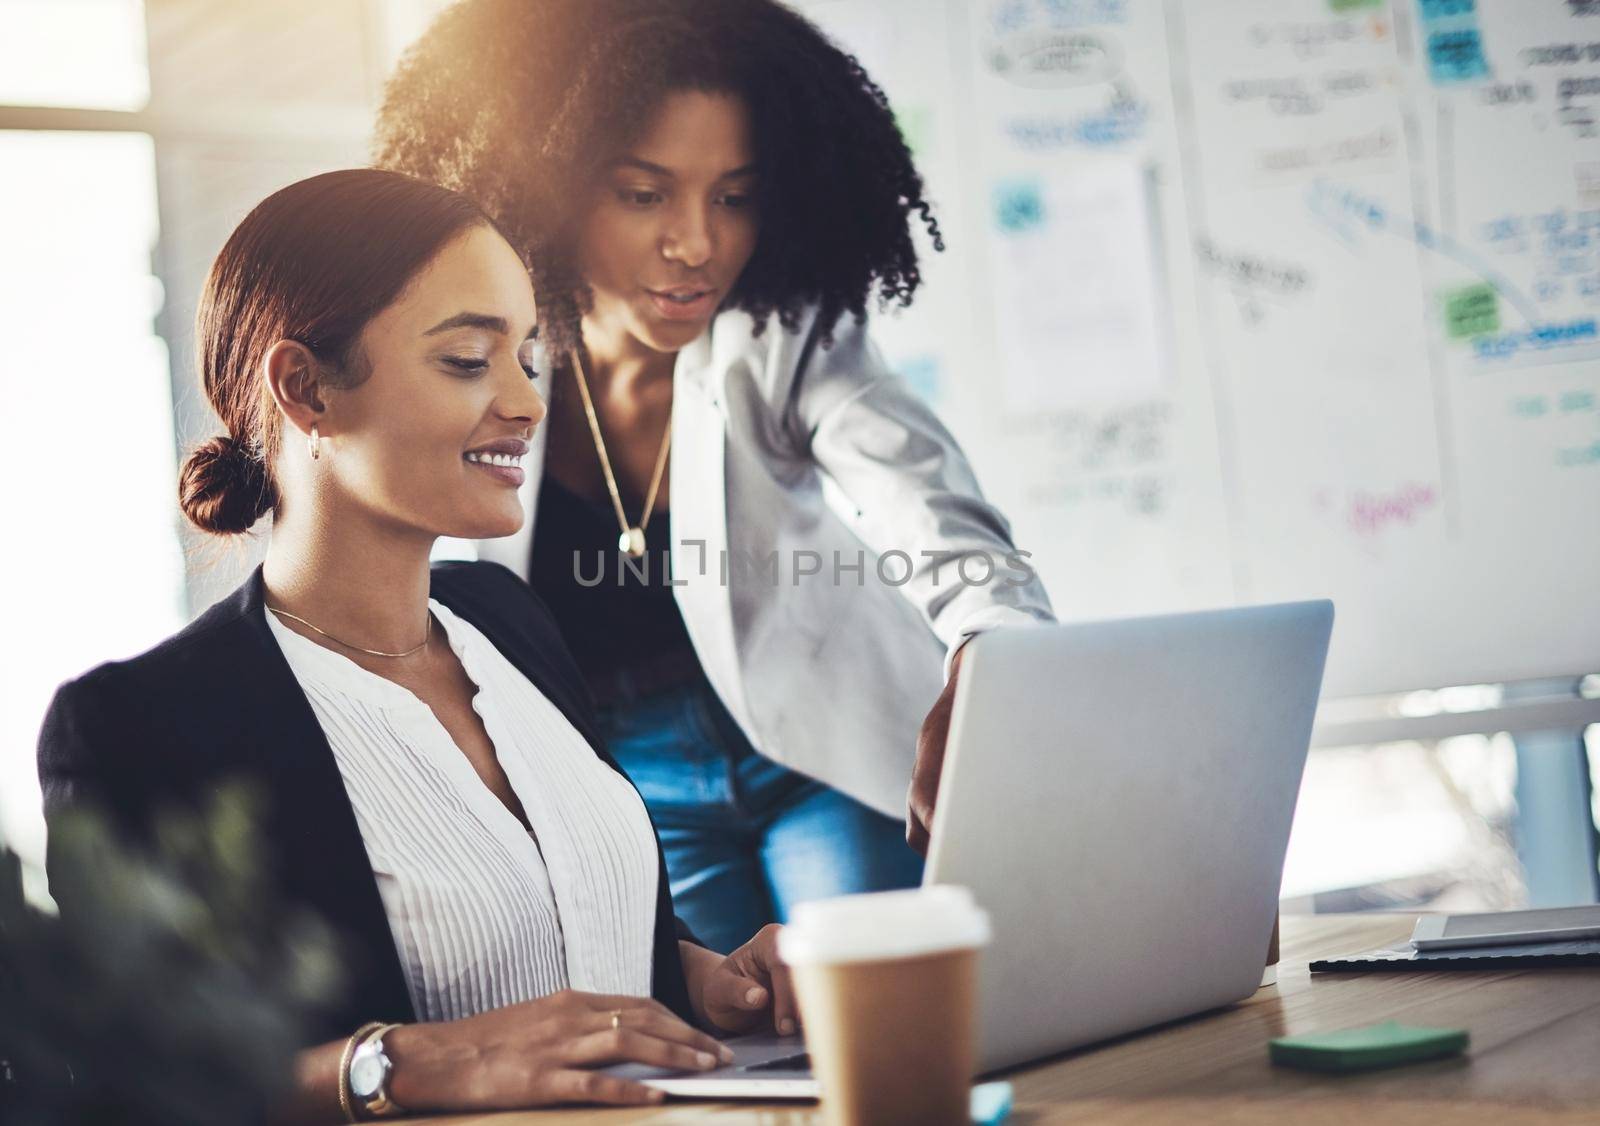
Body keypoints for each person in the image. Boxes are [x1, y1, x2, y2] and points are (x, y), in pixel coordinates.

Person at [37, 169, 798, 1121]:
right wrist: (392, 1066)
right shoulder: (140, 725)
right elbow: (129, 1087)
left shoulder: (507, 619)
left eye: (526, 356)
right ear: (305, 388)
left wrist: (708, 983)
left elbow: (564, 927)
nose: (526, 402)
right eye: (469, 360)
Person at [374, 0, 1055, 954]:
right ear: (555, 187)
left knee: (876, 1030)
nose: (695, 243)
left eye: (733, 196)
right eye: (644, 194)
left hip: (825, 753)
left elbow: (927, 500)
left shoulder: (785, 336)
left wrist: (995, 641)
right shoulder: (480, 366)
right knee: (723, 1068)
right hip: (627, 781)